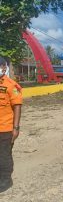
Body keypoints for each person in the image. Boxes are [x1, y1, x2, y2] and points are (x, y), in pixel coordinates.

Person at [0, 57, 22, 192]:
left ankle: (6, 180)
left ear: (4, 66)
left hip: (5, 128)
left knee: (4, 155)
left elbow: (17, 106)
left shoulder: (11, 85)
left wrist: (16, 128)